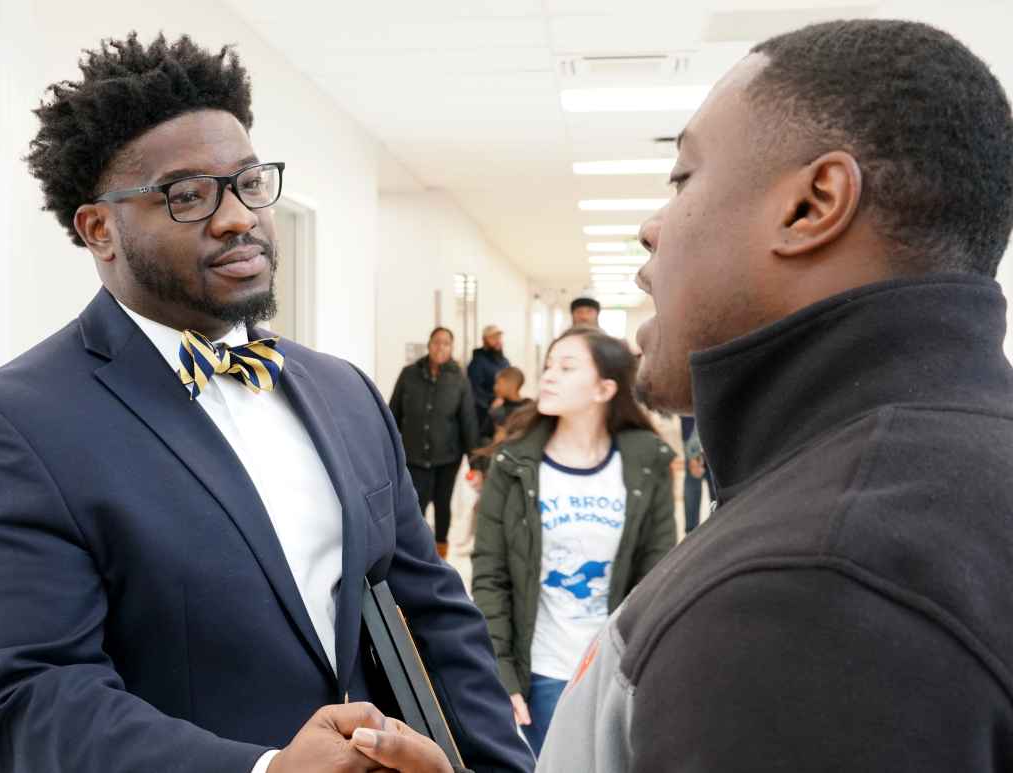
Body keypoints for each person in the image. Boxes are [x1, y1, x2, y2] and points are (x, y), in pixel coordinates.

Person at [340, 17, 1013, 773]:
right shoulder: (938, 470)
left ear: (812, 204)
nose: (652, 229)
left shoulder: (805, 592)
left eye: (685, 176)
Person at [0, 33, 534, 773]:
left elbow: (436, 616)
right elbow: (31, 697)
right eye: (187, 196)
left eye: (248, 183)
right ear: (98, 229)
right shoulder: (9, 425)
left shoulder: (343, 390)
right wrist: (268, 769)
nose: (237, 216)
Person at [471, 327, 676, 756]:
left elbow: (657, 575)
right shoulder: (514, 465)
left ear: (605, 389)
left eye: (566, 368)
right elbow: (491, 580)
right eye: (548, 365)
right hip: (544, 672)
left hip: (615, 673)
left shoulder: (645, 461)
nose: (548, 376)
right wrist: (502, 674)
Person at [389, 327, 480, 558]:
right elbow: (393, 413)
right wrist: (387, 450)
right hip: (414, 455)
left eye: (446, 343)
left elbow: (468, 422)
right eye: (436, 342)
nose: (441, 347)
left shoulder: (459, 380)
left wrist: (476, 463)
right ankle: (414, 555)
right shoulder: (408, 374)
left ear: (452, 348)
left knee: (442, 507)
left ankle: (441, 555)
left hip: (447, 458)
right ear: (429, 344)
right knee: (413, 508)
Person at [467, 324, 511, 428]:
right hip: (486, 418)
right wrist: (492, 402)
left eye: (499, 337)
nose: (498, 341)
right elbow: (474, 391)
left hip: (506, 413)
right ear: (484, 340)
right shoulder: (477, 362)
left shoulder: (505, 362)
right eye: (493, 338)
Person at [479, 366, 530, 444]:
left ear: (511, 386)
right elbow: (484, 436)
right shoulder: (496, 409)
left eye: (498, 383)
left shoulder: (528, 409)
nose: (494, 387)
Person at [679, 416, 711, 532]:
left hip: (695, 434)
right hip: (698, 436)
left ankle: (691, 530)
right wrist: (693, 451)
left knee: (694, 482)